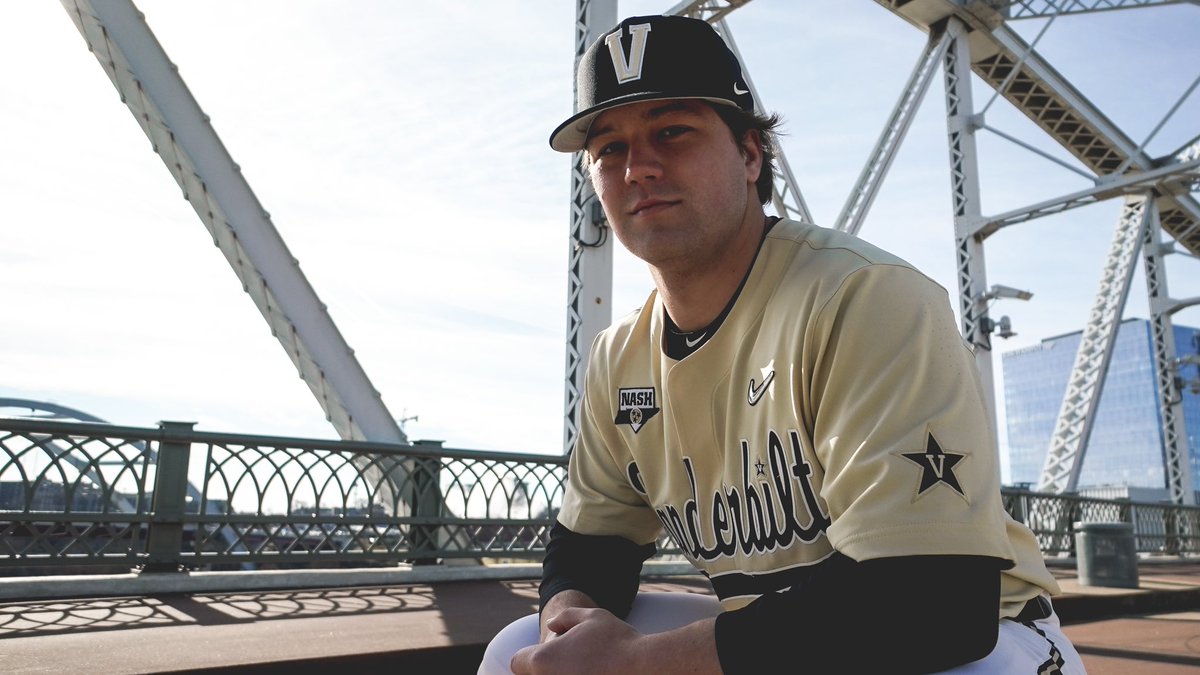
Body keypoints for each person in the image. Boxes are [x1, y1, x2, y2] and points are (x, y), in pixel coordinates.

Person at [481, 14, 1085, 675]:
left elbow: (932, 601)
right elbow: (592, 545)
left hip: (986, 641)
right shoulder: (618, 355)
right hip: (786, 630)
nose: (638, 167)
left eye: (671, 131)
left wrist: (637, 662)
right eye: (608, 150)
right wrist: (570, 615)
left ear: (749, 153)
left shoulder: (862, 297)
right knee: (520, 648)